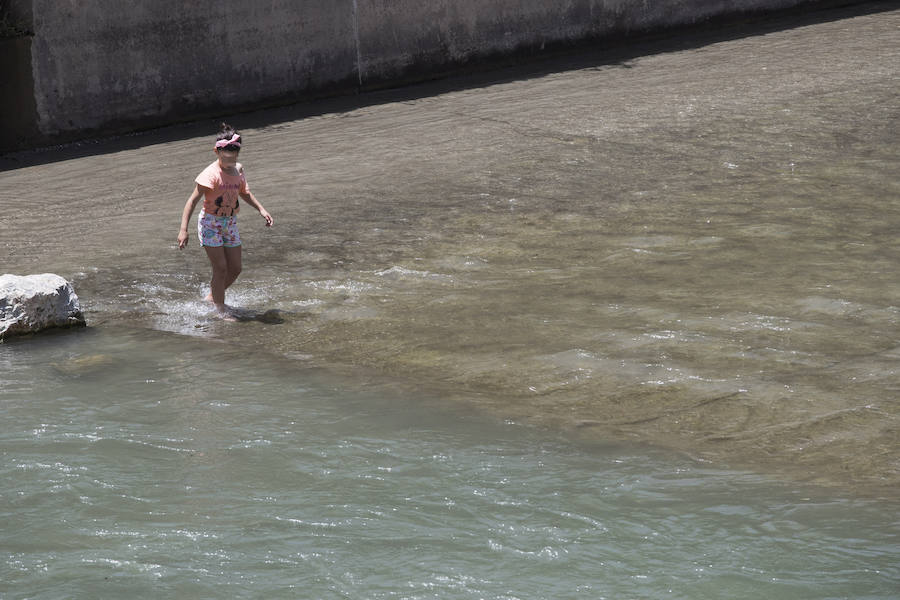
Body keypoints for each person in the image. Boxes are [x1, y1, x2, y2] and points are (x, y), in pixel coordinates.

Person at [177, 123, 273, 319]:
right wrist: (183, 229)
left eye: (233, 157)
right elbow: (191, 201)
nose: (229, 161)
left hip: (229, 223)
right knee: (220, 268)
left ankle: (212, 296)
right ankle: (220, 310)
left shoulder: (238, 170)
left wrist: (261, 209)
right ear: (217, 151)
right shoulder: (210, 175)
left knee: (236, 268)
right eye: (225, 158)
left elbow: (244, 193)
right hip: (210, 223)